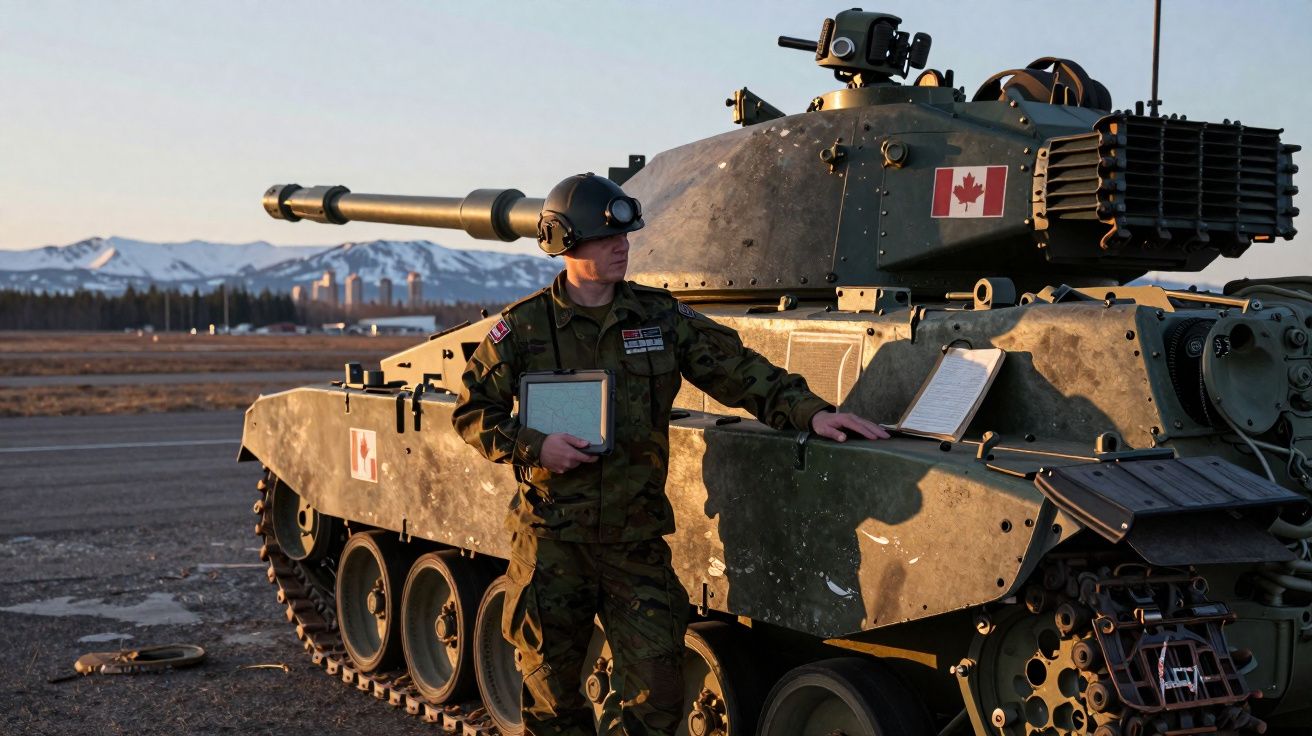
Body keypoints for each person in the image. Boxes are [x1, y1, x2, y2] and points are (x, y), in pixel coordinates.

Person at [452, 173, 887, 736]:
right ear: (565, 243)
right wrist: (535, 446)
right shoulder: (523, 326)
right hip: (553, 544)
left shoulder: (659, 317)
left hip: (635, 543)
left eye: (625, 236)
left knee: (657, 695)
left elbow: (739, 371)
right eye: (606, 238)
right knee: (552, 702)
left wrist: (810, 413)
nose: (622, 246)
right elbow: (472, 412)